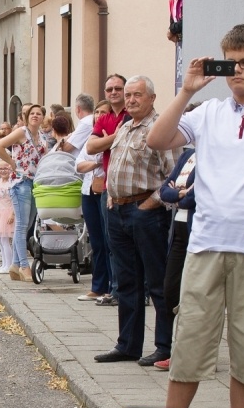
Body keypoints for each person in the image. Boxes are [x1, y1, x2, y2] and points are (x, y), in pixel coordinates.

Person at [146, 24, 244, 408]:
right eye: (232, 62)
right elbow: (158, 139)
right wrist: (188, 90)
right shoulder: (208, 114)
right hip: (207, 244)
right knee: (189, 341)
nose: (238, 71)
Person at [93, 75, 179, 369]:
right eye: (127, 95)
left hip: (146, 212)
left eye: (136, 95)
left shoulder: (160, 129)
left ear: (152, 98)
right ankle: (128, 345)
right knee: (127, 282)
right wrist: (110, 196)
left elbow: (174, 175)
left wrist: (149, 204)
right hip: (117, 211)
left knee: (157, 282)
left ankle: (164, 347)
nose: (129, 100)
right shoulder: (123, 128)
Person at [0, 104, 48, 281]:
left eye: (39, 114)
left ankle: (15, 265)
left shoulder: (42, 136)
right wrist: (11, 162)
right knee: (21, 225)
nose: (35, 116)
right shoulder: (22, 132)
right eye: (32, 113)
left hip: (35, 183)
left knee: (27, 224)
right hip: (21, 182)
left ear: (43, 118)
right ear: (26, 116)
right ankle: (24, 266)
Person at [154, 136, 196, 372]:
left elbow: (195, 197)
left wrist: (179, 194)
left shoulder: (214, 159)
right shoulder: (187, 156)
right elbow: (164, 190)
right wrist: (178, 194)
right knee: (170, 291)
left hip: (197, 230)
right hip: (178, 229)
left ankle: (188, 354)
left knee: (193, 294)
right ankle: (172, 349)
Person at [86, 74, 128, 307]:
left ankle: (134, 290)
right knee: (111, 241)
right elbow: (91, 147)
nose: (113, 92)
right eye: (109, 89)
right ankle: (115, 289)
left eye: (118, 88)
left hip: (130, 187)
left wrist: (107, 141)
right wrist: (115, 137)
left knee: (129, 244)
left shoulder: (131, 115)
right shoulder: (105, 118)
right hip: (108, 187)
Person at [75, 100, 112, 302]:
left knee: (110, 242)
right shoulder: (92, 138)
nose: (98, 116)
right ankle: (98, 287)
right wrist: (98, 162)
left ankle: (113, 287)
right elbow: (78, 165)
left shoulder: (114, 137)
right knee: (96, 242)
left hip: (106, 191)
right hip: (89, 191)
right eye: (97, 112)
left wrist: (94, 163)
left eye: (103, 112)